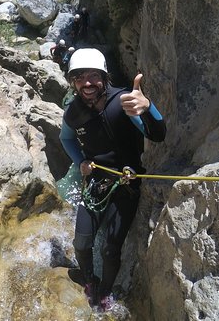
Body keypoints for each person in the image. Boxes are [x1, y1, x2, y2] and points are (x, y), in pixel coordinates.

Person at [59, 48, 166, 311]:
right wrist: (80, 162)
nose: (87, 83)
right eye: (80, 77)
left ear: (105, 77)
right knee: (82, 243)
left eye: (94, 76)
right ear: (72, 81)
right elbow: (66, 138)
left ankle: (105, 291)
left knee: (110, 248)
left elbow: (158, 134)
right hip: (95, 183)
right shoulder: (73, 113)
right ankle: (89, 281)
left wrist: (148, 107)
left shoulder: (123, 103)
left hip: (127, 183)